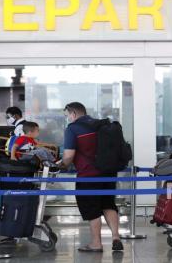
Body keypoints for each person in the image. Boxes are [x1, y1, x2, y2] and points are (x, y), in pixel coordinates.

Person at [57, 102, 123, 252]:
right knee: (108, 204)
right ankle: (115, 237)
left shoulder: (73, 129)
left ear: (73, 114)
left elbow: (68, 157)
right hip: (108, 173)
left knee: (92, 209)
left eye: (68, 115)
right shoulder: (101, 125)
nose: (68, 118)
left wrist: (59, 165)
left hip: (88, 175)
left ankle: (96, 243)